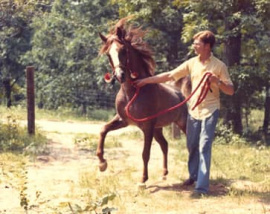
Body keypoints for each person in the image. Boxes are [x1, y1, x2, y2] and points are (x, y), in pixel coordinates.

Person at [134, 30, 234, 196]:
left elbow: (230, 90)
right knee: (192, 145)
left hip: (210, 110)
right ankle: (193, 176)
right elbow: (170, 75)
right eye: (194, 43)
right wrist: (145, 81)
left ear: (207, 46)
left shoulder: (219, 66)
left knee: (204, 146)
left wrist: (217, 81)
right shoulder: (192, 63)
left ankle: (201, 188)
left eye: (197, 43)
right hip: (194, 110)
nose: (194, 46)